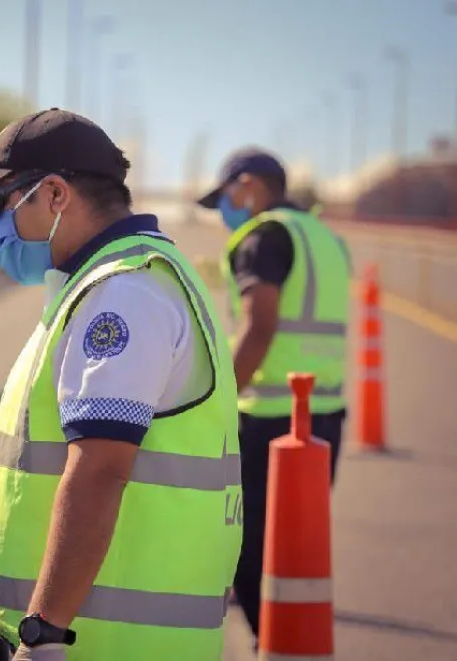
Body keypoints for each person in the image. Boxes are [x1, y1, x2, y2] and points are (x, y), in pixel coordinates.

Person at [0, 108, 242, 661]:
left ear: (54, 195)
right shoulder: (111, 282)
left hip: (104, 644)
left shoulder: (123, 295)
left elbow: (100, 471)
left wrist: (44, 633)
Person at [196, 147, 351, 646]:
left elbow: (260, 327)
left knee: (248, 552)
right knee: (292, 551)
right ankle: (286, 643)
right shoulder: (324, 239)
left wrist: (217, 403)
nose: (224, 210)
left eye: (225, 196)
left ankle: (276, 645)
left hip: (266, 419)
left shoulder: (263, 237)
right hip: (322, 413)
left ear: (249, 185)